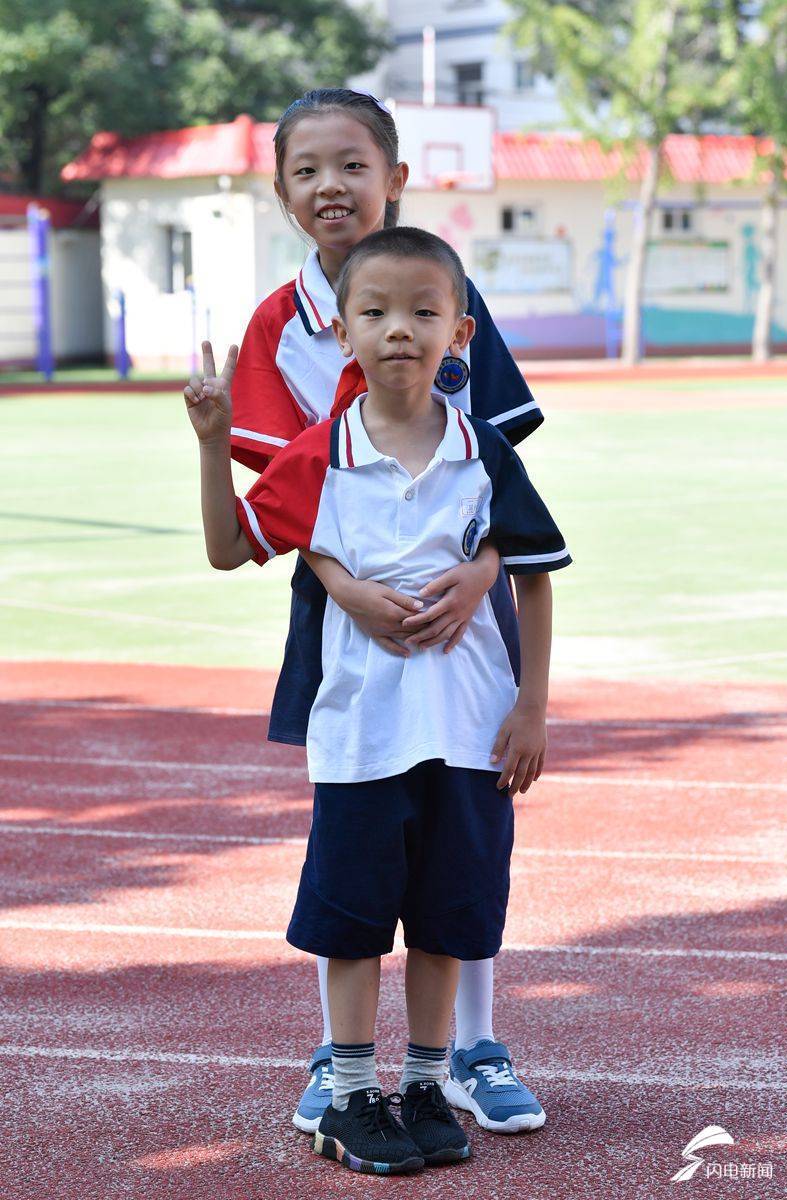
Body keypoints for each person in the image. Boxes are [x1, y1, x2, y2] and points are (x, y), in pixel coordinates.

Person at [184, 226, 571, 1175]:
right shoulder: (320, 456)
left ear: (460, 334)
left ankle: (428, 1084)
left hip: (474, 733)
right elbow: (229, 548)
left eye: (423, 312)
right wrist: (208, 442)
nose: (400, 328)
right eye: (376, 312)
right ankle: (352, 1094)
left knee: (451, 913)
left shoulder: (485, 455)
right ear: (345, 335)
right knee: (354, 917)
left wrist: (532, 708)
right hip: (362, 734)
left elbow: (535, 574)